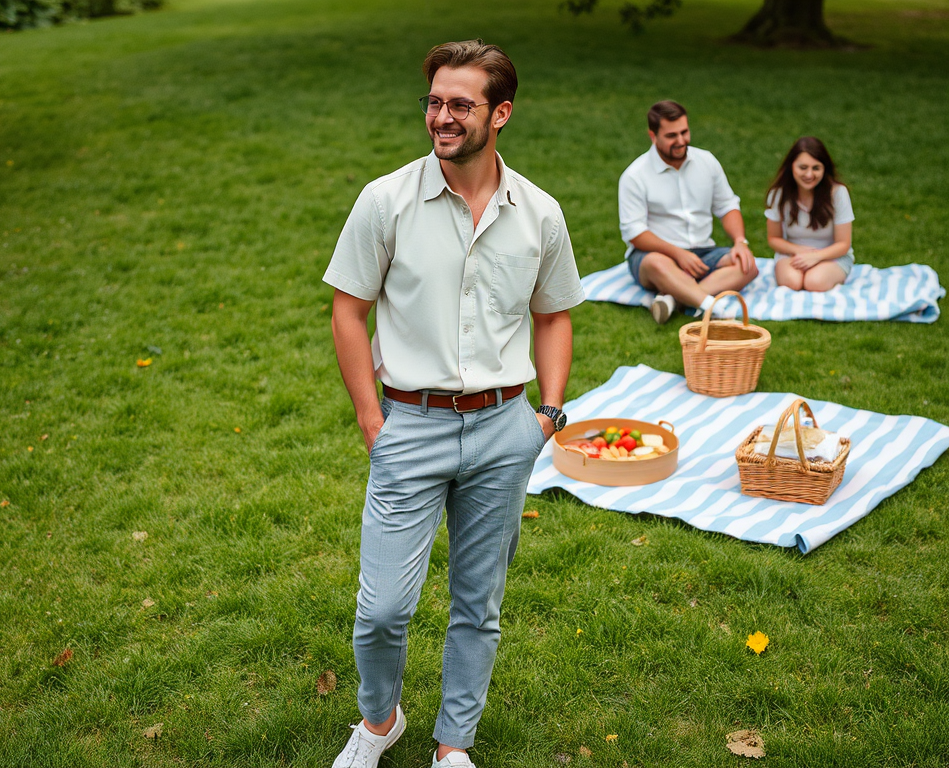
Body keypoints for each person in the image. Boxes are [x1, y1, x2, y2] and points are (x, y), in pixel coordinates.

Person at [323, 40, 584, 768]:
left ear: (500, 113)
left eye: (459, 104)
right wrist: (372, 419)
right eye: (434, 101)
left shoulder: (539, 213)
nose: (442, 116)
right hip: (409, 423)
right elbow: (349, 311)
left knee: (479, 605)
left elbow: (554, 313)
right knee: (382, 611)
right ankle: (379, 723)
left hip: (506, 427)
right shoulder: (386, 200)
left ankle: (453, 746)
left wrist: (548, 414)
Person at [617, 100, 758, 324]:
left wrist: (740, 242)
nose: (681, 141)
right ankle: (713, 307)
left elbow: (727, 206)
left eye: (684, 132)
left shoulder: (707, 161)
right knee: (657, 264)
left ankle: (675, 298)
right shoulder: (634, 176)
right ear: (653, 136)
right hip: (655, 257)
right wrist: (678, 254)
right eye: (672, 135)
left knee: (748, 265)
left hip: (704, 253)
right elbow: (634, 233)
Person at [766, 137, 854, 291]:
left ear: (824, 169)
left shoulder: (838, 193)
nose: (809, 174)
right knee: (791, 282)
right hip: (793, 254)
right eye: (803, 167)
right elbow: (774, 239)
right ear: (791, 166)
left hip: (832, 256)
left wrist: (816, 256)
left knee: (815, 282)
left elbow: (843, 244)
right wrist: (800, 252)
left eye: (816, 168)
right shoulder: (778, 194)